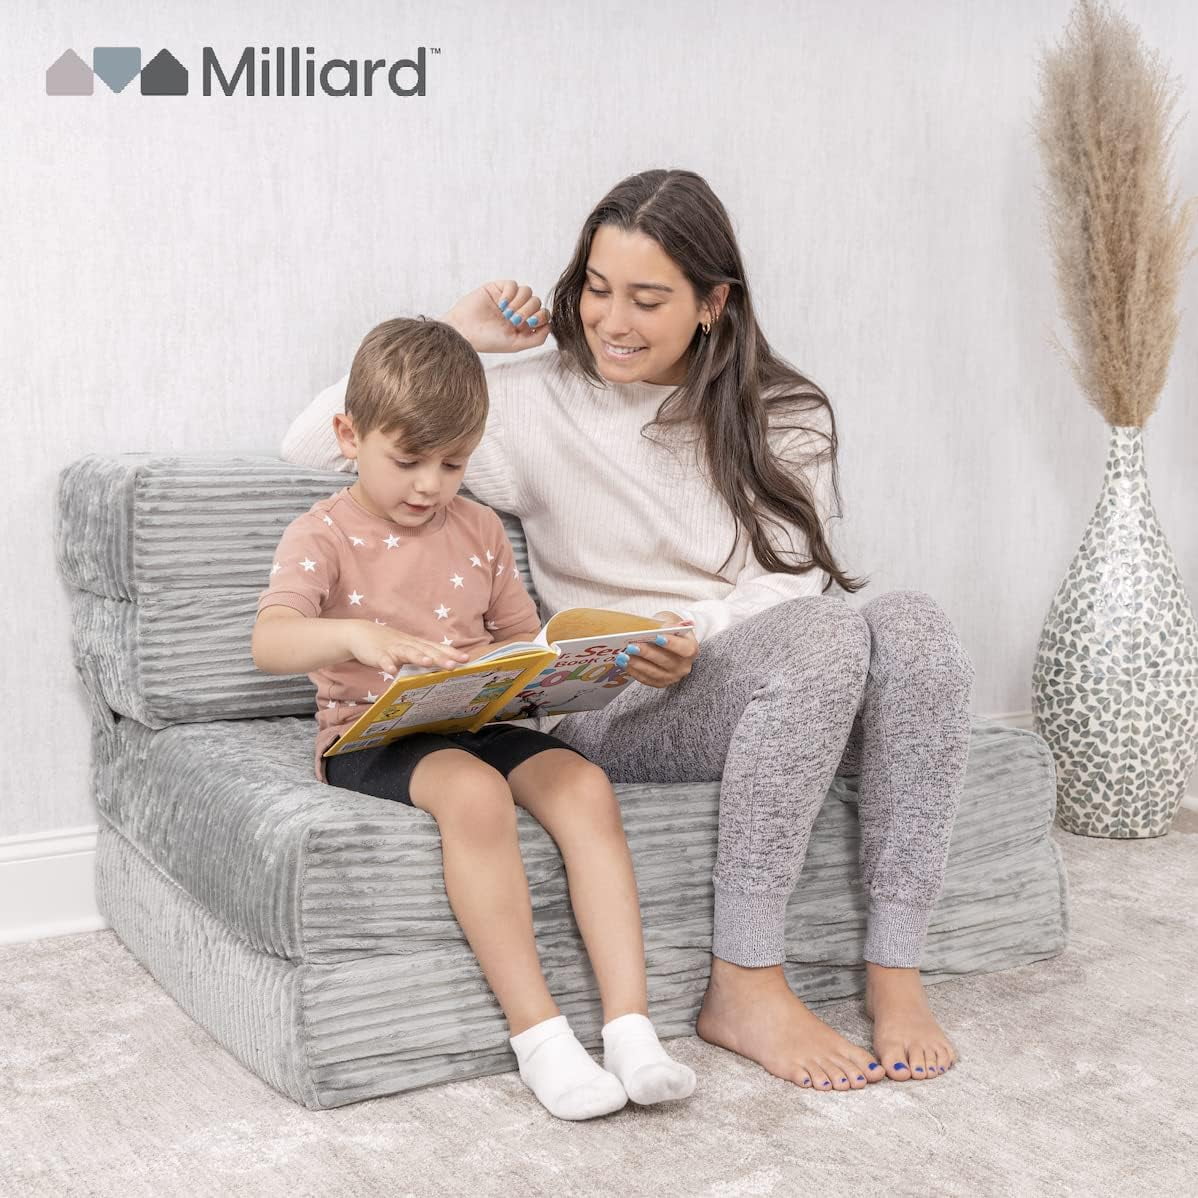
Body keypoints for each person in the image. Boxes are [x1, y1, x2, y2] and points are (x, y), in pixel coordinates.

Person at [282, 169, 977, 1093]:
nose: (612, 321)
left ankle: (896, 971)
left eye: (647, 300)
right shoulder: (533, 402)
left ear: (712, 304)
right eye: (597, 289)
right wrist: (455, 334)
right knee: (825, 637)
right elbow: (311, 444)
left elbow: (789, 586)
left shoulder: (786, 413)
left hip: (762, 675)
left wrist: (686, 630)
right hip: (618, 705)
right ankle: (744, 981)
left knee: (916, 626)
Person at [253, 317, 697, 1121]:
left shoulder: (480, 528)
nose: (430, 485)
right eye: (408, 460)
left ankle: (632, 1031)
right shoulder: (322, 533)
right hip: (373, 733)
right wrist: (355, 636)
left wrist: (573, 662)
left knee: (584, 786)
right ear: (349, 437)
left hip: (477, 715)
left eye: (453, 463)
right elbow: (270, 640)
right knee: (473, 793)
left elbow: (521, 641)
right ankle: (541, 1038)